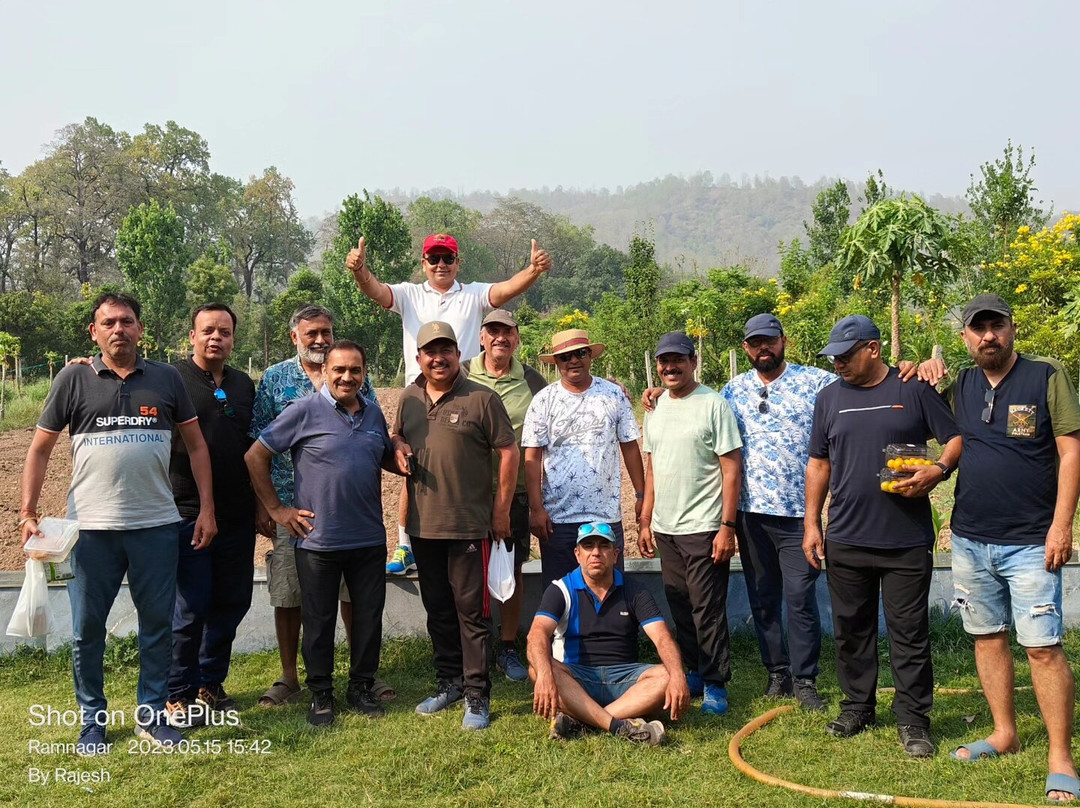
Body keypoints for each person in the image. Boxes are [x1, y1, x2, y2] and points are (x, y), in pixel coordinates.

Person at [19, 292, 216, 753]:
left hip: (156, 527)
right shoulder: (73, 379)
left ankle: (151, 715)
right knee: (87, 630)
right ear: (94, 332)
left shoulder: (166, 379)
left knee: (156, 627)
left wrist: (207, 508)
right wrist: (27, 512)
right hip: (89, 532)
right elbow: (40, 449)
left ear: (140, 329)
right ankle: (92, 720)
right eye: (108, 322)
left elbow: (198, 447)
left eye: (126, 321)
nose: (118, 329)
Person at [803, 314, 962, 757]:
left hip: (905, 539)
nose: (837, 363)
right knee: (851, 629)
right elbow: (819, 463)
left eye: (845, 355)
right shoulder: (829, 398)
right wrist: (812, 523)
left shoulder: (911, 390)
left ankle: (913, 720)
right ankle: (857, 706)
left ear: (873, 348)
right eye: (832, 356)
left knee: (908, 633)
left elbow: (953, 438)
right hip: (847, 537)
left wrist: (939, 469)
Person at [346, 233, 551, 576]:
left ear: (458, 263)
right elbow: (376, 290)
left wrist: (533, 270)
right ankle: (405, 545)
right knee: (414, 466)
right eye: (434, 259)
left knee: (462, 471)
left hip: (464, 390)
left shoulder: (471, 294)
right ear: (423, 264)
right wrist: (360, 270)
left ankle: (469, 538)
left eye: (448, 258)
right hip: (419, 392)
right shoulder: (410, 294)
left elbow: (504, 290)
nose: (441, 265)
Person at [945, 294, 1080, 803]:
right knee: (986, 637)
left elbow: (1071, 452)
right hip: (969, 537)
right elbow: (943, 429)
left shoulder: (1046, 377)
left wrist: (1061, 526)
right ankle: (1004, 732)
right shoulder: (962, 382)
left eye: (995, 326)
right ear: (965, 337)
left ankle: (1060, 758)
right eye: (977, 329)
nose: (988, 337)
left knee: (1043, 648)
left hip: (1030, 541)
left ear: (1011, 328)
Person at [247, 340, 406, 726]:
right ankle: (321, 693)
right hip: (317, 541)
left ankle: (361, 687)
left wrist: (398, 445)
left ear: (364, 373)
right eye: (339, 370)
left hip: (367, 539)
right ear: (325, 372)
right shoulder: (303, 411)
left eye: (355, 370)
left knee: (368, 619)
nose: (347, 377)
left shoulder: (371, 415)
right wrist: (276, 509)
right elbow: (255, 456)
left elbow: (380, 455)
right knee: (318, 622)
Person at [392, 321, 519, 730]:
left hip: (468, 527)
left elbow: (509, 452)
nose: (438, 357)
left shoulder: (482, 398)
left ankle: (477, 695)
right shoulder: (409, 398)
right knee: (438, 611)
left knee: (472, 613)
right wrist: (396, 446)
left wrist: (500, 511)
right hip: (424, 527)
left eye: (446, 350)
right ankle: (449, 683)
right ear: (419, 358)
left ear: (457, 354)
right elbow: (396, 439)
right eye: (430, 351)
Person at [719, 313, 835, 711]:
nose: (762, 347)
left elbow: (861, 388)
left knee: (801, 597)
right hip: (751, 514)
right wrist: (656, 397)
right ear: (746, 349)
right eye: (754, 342)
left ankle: (805, 679)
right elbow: (699, 414)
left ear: (783, 341)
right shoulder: (732, 391)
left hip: (800, 515)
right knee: (763, 596)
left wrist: (907, 368)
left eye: (769, 340)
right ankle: (777, 673)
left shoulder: (817, 382)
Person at [638, 332, 742, 716]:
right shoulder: (656, 407)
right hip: (667, 528)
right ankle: (695, 669)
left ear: (693, 361)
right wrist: (646, 520)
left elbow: (731, 468)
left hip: (703, 525)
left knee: (707, 607)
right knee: (680, 603)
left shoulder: (713, 405)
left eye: (678, 360)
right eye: (664, 361)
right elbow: (653, 468)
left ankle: (715, 682)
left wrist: (726, 526)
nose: (670, 367)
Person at [165, 303, 256, 728]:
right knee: (192, 604)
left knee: (232, 599)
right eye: (207, 331)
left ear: (234, 339)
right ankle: (177, 690)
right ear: (192, 336)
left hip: (237, 511)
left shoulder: (243, 384)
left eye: (223, 331)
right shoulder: (172, 379)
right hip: (186, 509)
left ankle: (210, 682)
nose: (215, 337)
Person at [527, 522, 690, 745]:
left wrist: (679, 677)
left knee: (668, 674)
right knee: (537, 669)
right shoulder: (560, 589)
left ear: (615, 554)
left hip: (625, 682)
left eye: (604, 546)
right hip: (577, 679)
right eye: (588, 546)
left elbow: (662, 638)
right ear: (577, 554)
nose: (596, 552)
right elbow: (536, 635)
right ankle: (618, 725)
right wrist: (545, 677)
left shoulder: (635, 591)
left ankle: (584, 721)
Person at [522, 328, 645, 587]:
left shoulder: (613, 395)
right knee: (560, 591)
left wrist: (641, 496)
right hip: (558, 517)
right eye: (565, 357)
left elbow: (630, 446)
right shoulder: (543, 401)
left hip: (605, 514)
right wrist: (536, 509)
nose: (574, 361)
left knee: (608, 588)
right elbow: (532, 458)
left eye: (580, 353)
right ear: (556, 362)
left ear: (590, 356)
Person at [465, 309, 547, 682]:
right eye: (492, 330)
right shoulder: (463, 371)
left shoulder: (532, 380)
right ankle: (470, 645)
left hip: (513, 495)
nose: (500, 337)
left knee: (511, 571)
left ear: (517, 338)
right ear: (482, 337)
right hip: (466, 494)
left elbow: (561, 405)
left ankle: (509, 646)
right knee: (467, 571)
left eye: (507, 332)